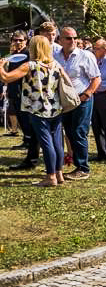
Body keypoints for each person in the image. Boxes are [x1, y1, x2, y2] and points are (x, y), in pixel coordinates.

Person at [0, 36, 68, 186]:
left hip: (38, 109)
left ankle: (50, 177)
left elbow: (6, 78)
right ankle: (59, 174)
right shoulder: (55, 64)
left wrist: (1, 65)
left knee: (47, 143)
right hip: (55, 108)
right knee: (57, 142)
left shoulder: (30, 65)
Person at [55, 27, 100, 180]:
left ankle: (83, 168)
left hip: (82, 99)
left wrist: (87, 94)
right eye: (68, 38)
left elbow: (96, 78)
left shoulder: (85, 55)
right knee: (69, 132)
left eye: (75, 37)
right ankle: (76, 163)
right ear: (60, 40)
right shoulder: (55, 56)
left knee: (79, 132)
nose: (72, 40)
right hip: (65, 101)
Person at [6, 32, 40, 171]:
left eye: (21, 40)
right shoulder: (13, 55)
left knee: (29, 125)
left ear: (26, 41)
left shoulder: (27, 55)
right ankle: (28, 146)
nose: (18, 42)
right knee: (23, 123)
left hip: (25, 95)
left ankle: (31, 157)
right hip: (14, 93)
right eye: (15, 40)